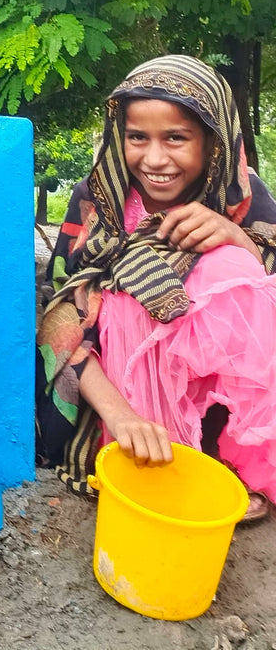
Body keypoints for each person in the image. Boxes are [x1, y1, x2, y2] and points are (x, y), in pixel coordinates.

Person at [36, 55, 276, 522]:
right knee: (125, 296)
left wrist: (236, 238)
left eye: (177, 138)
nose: (155, 159)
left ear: (213, 143)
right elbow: (59, 317)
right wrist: (121, 415)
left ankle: (231, 463)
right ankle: (149, 462)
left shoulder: (243, 199)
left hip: (217, 415)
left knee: (232, 267)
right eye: (137, 137)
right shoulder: (95, 200)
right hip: (113, 406)